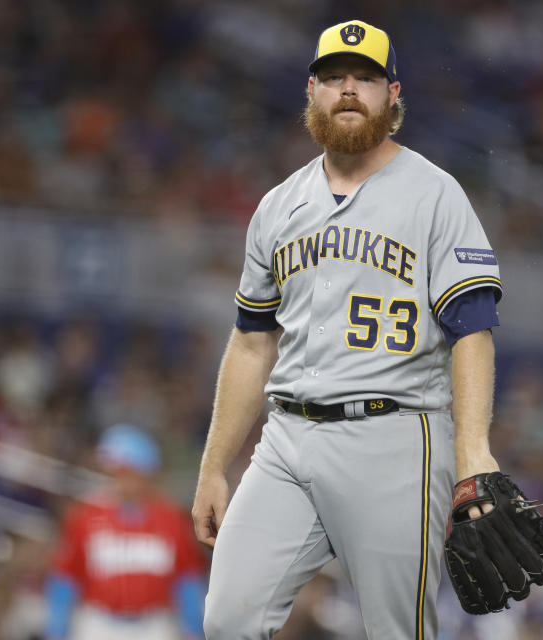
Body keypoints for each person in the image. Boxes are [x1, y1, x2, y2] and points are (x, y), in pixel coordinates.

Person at [192, 19, 504, 639]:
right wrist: (213, 467)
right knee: (228, 620)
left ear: (393, 93)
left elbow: (473, 331)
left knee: (397, 631)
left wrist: (473, 453)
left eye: (366, 77)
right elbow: (253, 341)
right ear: (311, 90)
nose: (349, 89)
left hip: (395, 437)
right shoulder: (279, 205)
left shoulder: (436, 195)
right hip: (286, 441)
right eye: (335, 77)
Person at [44, 424, 206, 640]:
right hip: (98, 623)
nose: (120, 481)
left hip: (154, 624)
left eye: (127, 472)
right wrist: (57, 629)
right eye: (114, 473)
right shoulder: (85, 516)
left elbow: (188, 580)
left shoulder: (171, 518)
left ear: (147, 473)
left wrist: (193, 628)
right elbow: (65, 578)